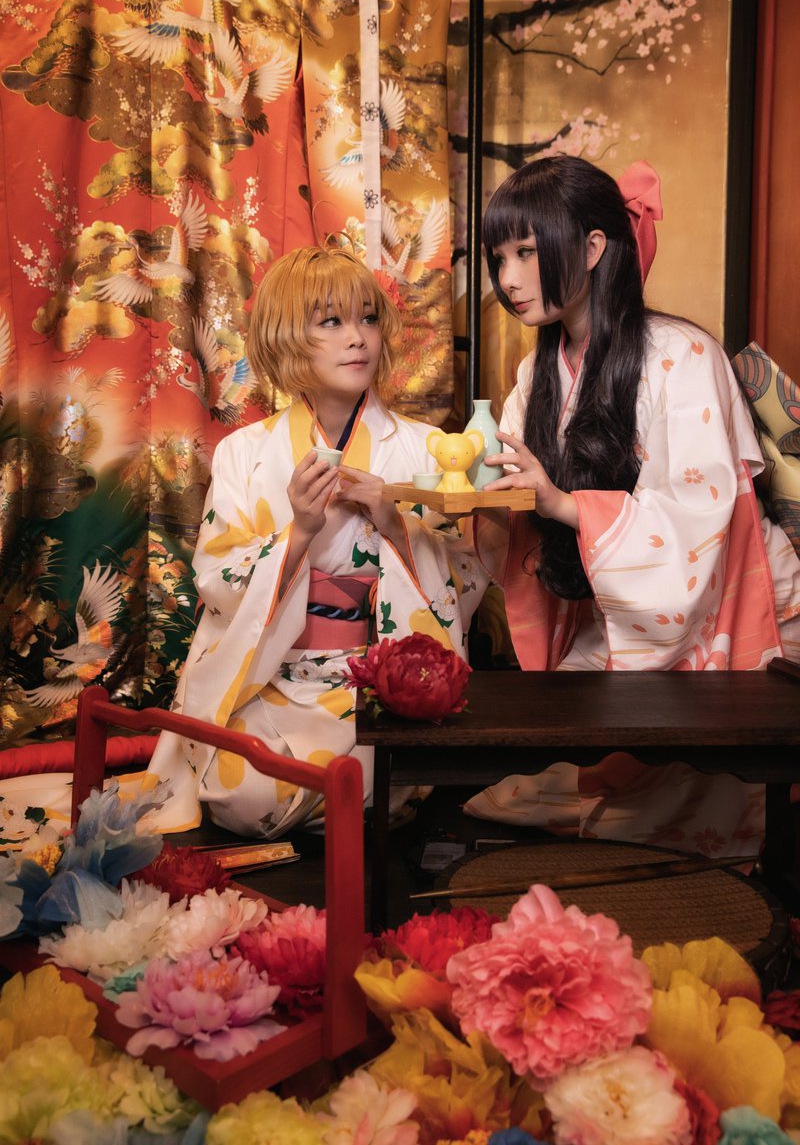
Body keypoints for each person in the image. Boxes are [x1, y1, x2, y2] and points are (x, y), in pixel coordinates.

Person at [465, 155, 800, 856]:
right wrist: (479, 504)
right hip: (622, 606)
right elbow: (516, 514)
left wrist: (564, 505)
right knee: (535, 778)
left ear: (593, 247)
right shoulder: (536, 371)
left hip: (723, 608)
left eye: (527, 252)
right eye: (499, 258)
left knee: (653, 802)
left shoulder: (685, 354)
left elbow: (701, 526)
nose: (509, 279)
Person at [142, 244, 484, 838]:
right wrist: (299, 531)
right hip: (272, 675)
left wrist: (392, 521)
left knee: (387, 782)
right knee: (244, 795)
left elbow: (468, 576)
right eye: (331, 322)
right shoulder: (244, 452)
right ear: (286, 337)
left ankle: (356, 798)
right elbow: (215, 580)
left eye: (368, 319)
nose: (357, 338)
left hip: (377, 683)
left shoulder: (427, 448)